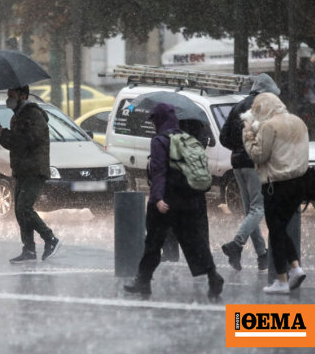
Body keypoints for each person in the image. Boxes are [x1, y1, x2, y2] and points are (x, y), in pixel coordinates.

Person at [124, 103, 223, 298]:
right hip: (189, 200)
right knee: (195, 241)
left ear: (159, 120)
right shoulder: (186, 138)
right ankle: (213, 276)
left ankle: (142, 281)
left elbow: (159, 171)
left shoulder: (160, 141)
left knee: (153, 242)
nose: (153, 125)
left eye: (153, 120)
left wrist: (158, 198)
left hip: (167, 203)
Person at [242, 93, 309, 294]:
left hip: (276, 184)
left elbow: (258, 155)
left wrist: (248, 134)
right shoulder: (298, 122)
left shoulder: (269, 126)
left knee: (276, 230)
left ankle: (282, 279)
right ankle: (295, 268)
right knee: (280, 228)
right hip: (299, 183)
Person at [219, 73, 279, 271]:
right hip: (254, 162)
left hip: (237, 163)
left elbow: (223, 137)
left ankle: (262, 255)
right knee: (258, 208)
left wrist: (238, 149)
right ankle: (236, 244)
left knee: (250, 210)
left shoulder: (238, 105)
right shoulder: (264, 106)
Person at [0, 85, 61, 263]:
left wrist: (7, 134)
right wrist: (1, 136)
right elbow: (14, 145)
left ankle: (50, 238)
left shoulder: (33, 115)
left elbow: (29, 141)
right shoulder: (17, 116)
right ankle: (29, 249)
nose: (8, 98)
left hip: (34, 170)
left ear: (23, 96)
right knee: (19, 211)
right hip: (21, 170)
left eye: (12, 95)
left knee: (24, 207)